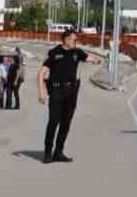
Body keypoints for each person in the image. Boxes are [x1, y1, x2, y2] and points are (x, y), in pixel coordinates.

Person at [38, 29, 100, 163]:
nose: (76, 42)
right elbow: (41, 73)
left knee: (66, 123)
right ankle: (48, 152)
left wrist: (96, 60)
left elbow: (89, 58)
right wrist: (42, 92)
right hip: (56, 91)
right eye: (74, 39)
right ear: (66, 39)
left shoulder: (77, 52)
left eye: (76, 40)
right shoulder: (54, 53)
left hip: (71, 92)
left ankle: (58, 152)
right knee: (53, 122)